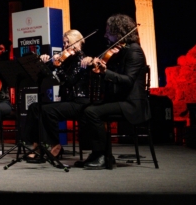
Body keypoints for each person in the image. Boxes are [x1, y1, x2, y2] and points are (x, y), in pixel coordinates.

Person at [76, 14, 150, 169]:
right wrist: (93, 63)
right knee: (84, 109)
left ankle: (102, 155)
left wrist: (105, 72)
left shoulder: (134, 51)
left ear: (118, 31)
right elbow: (108, 73)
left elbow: (128, 80)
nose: (105, 35)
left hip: (131, 104)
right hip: (119, 100)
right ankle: (98, 154)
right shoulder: (120, 51)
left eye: (109, 31)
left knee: (92, 112)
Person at [24, 29, 93, 161]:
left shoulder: (82, 59)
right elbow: (47, 75)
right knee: (34, 107)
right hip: (67, 101)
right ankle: (37, 146)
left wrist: (58, 67)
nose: (65, 46)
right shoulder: (67, 60)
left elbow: (69, 81)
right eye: (64, 43)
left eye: (68, 42)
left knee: (47, 110)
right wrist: (45, 63)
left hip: (79, 102)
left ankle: (55, 145)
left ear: (77, 43)